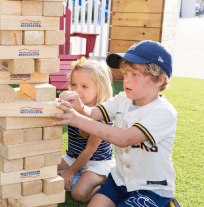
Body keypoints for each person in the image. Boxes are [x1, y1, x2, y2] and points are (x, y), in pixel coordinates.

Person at [52, 40, 178, 206]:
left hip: (152, 188)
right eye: (125, 74)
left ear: (159, 80)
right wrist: (80, 106)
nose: (126, 80)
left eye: (135, 75)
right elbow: (94, 113)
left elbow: (125, 138)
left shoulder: (164, 112)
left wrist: (76, 118)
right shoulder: (122, 99)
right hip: (119, 180)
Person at [57, 57, 116, 203]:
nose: (77, 90)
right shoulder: (73, 106)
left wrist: (70, 172)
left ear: (99, 88)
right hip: (73, 156)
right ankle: (77, 176)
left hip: (97, 162)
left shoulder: (102, 116)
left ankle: (107, 187)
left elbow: (90, 150)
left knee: (79, 194)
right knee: (44, 168)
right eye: (73, 84)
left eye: (84, 86)